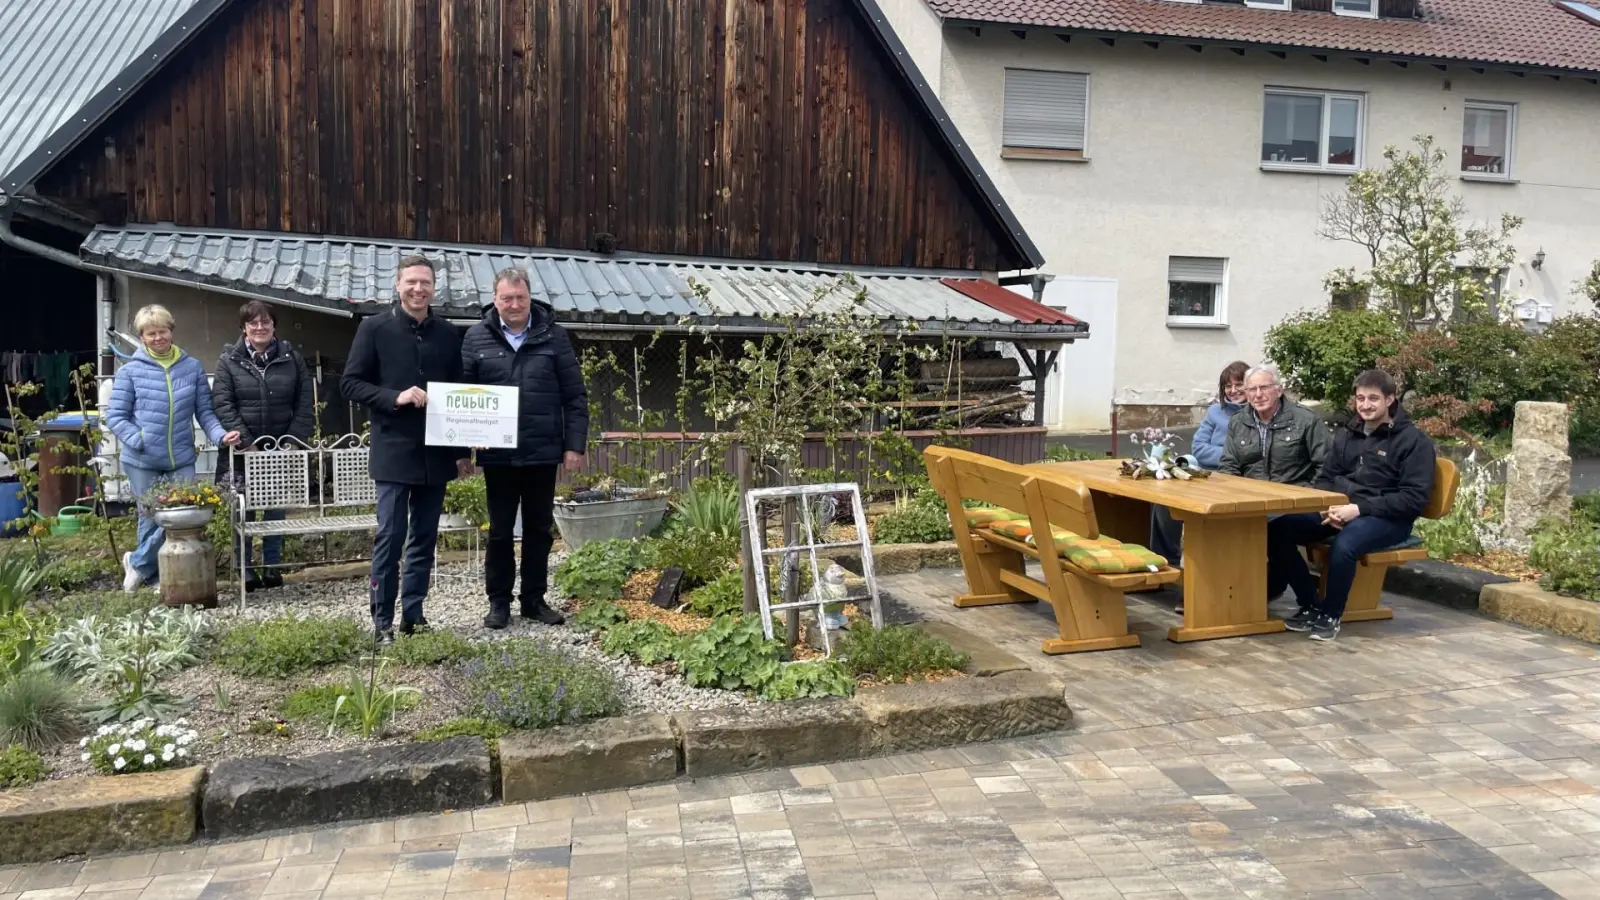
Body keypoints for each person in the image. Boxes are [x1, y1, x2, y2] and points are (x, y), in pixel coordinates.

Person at [341, 255, 470, 644]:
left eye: (425, 283)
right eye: (411, 282)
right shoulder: (374, 329)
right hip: (393, 451)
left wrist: (462, 450)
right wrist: (393, 397)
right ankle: (381, 621)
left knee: (424, 538)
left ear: (434, 288)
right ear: (398, 286)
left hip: (436, 454)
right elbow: (350, 384)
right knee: (391, 536)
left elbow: (458, 393)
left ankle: (413, 615)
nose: (418, 289)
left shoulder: (448, 334)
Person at [461, 268, 588, 629]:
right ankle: (498, 602)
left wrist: (573, 445)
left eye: (520, 298)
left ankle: (533, 599)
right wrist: (464, 441)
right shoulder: (475, 338)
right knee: (500, 530)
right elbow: (462, 394)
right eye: (507, 298)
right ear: (495, 299)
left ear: (529, 298)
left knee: (538, 529)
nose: (514, 304)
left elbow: (575, 396)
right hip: (498, 455)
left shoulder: (554, 336)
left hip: (542, 450)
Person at [1271, 370, 1437, 642]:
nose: (1366, 405)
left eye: (1373, 398)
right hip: (1340, 510)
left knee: (1345, 544)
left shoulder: (1413, 442)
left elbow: (1413, 499)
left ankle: (1330, 615)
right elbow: (1327, 476)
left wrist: (1358, 510)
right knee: (1278, 528)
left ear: (1390, 399)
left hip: (1388, 518)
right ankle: (1311, 604)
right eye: (1360, 398)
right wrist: (1328, 506)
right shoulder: (1349, 434)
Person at [105, 305, 240, 592]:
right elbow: (115, 416)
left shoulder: (191, 368)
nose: (157, 338)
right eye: (150, 333)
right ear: (142, 337)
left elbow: (204, 411)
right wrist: (139, 439)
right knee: (150, 516)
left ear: (171, 331)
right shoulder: (130, 372)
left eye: (162, 331)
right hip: (141, 458)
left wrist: (219, 436)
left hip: (180, 455)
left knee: (181, 512)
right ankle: (155, 577)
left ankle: (138, 563)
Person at [211, 300, 316, 592]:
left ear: (274, 325)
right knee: (242, 512)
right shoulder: (228, 360)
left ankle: (273, 567)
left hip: (281, 450)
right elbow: (222, 404)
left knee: (275, 509)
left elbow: (304, 402)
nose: (260, 327)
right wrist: (246, 443)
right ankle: (245, 570)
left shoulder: (291, 357)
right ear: (243, 327)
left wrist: (293, 441)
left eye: (266, 322)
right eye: (253, 323)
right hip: (242, 452)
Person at [1218, 363, 1330, 606]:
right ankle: (1224, 595)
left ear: (1279, 390)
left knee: (1274, 530)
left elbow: (1326, 469)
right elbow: (1228, 466)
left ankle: (1308, 602)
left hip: (1299, 506)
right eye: (1252, 390)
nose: (1258, 395)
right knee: (1214, 525)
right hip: (1253, 504)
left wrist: (1306, 498)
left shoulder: (1306, 421)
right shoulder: (1238, 422)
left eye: (1264, 388)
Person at [1150, 360, 1250, 566]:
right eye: (1227, 386)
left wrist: (1229, 455)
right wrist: (1232, 453)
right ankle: (1165, 560)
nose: (1233, 391)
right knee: (1161, 497)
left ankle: (1203, 570)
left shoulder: (1255, 413)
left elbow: (1250, 453)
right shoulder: (1215, 411)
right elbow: (1199, 449)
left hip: (1235, 479)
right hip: (1204, 474)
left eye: (1238, 385)